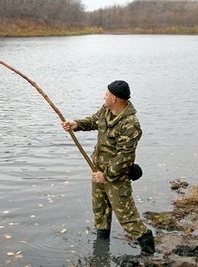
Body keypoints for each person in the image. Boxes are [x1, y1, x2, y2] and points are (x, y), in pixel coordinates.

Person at [61, 80, 155, 255]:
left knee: (127, 218)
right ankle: (102, 250)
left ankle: (149, 252)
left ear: (114, 98)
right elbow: (93, 121)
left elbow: (125, 157)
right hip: (97, 170)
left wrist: (106, 175)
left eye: (106, 94)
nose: (104, 96)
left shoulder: (130, 124)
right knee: (101, 212)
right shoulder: (106, 110)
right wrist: (76, 124)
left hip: (116, 176)